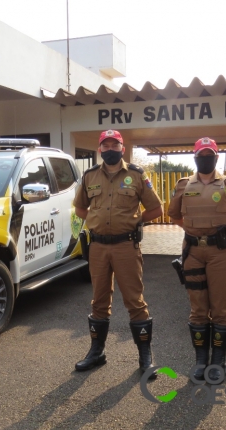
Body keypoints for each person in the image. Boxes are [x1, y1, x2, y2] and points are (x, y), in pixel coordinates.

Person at [73, 129, 163, 377]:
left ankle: (145, 357)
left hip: (126, 246)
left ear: (122, 149)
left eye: (115, 145)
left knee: (135, 300)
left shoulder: (136, 175)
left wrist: (135, 222)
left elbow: (156, 208)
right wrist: (94, 219)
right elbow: (80, 207)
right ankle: (96, 352)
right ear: (99, 149)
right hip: (98, 247)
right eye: (106, 145)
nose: (110, 149)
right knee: (99, 300)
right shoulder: (89, 176)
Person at [167, 137, 226, 382]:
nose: (205, 158)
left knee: (220, 307)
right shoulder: (183, 185)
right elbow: (173, 215)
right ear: (195, 158)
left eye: (209, 154)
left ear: (216, 157)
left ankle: (218, 362)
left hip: (221, 253)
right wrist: (193, 231)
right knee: (197, 307)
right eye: (201, 154)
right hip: (193, 252)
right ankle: (200, 361)